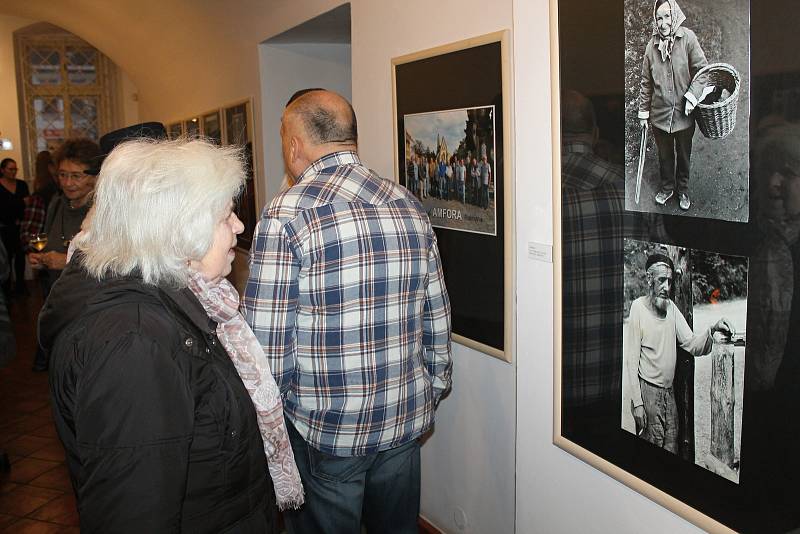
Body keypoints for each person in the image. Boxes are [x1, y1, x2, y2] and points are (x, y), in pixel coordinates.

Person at [40, 137, 303, 532]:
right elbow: (135, 513)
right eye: (226, 214)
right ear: (180, 226)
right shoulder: (135, 342)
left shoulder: (182, 302)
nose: (239, 226)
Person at [244, 89, 452, 533]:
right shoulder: (408, 204)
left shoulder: (286, 213)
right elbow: (436, 313)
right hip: (403, 418)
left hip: (326, 429)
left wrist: (270, 428)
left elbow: (266, 344)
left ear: (294, 142)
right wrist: (433, 387)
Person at [626, 252, 733, 452]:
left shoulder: (672, 309)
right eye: (661, 280)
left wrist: (712, 328)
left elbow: (692, 343)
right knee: (650, 453)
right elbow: (631, 361)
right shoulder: (637, 308)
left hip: (669, 394)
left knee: (670, 450)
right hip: (648, 393)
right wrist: (638, 404)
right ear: (649, 279)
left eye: (670, 281)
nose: (667, 287)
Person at [28, 139, 100, 372]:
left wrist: (65, 261)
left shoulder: (102, 211)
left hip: (87, 308)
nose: (67, 183)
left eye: (76, 176)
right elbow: (49, 240)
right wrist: (41, 260)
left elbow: (111, 263)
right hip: (57, 301)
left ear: (94, 175)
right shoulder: (57, 203)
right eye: (62, 175)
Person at [638, 0, 709, 211]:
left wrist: (692, 96)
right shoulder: (651, 47)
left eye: (667, 16)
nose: (663, 23)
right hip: (659, 117)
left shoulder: (688, 38)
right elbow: (646, 82)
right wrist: (643, 113)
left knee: (684, 155)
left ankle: (683, 189)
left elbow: (702, 71)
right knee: (665, 156)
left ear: (675, 15)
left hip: (684, 114)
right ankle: (668, 187)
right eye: (659, 18)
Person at [0, 158, 29, 296]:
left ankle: (20, 287)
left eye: (15, 169)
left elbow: (27, 205)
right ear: (2, 170)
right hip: (3, 229)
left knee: (20, 258)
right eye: (10, 169)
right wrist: (19, 203)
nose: (13, 172)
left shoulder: (22, 185)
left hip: (20, 228)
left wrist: (14, 205)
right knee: (5, 259)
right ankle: (5, 291)